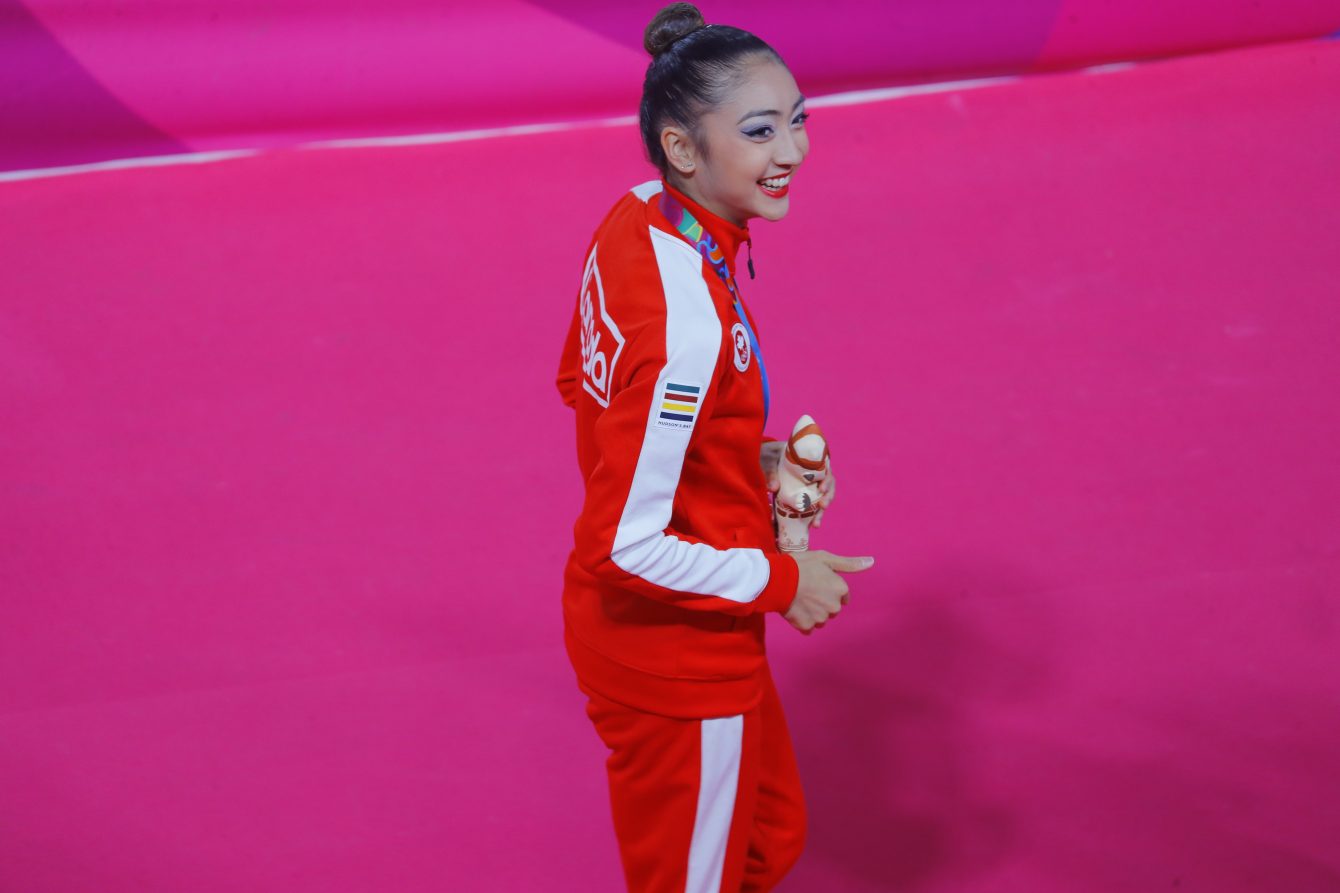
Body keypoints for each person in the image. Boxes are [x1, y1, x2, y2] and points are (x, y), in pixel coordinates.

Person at [555, 4, 875, 891]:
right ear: (684, 149)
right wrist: (785, 581)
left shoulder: (642, 216)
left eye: (799, 119)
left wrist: (743, 458)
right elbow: (623, 542)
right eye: (761, 131)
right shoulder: (682, 328)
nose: (795, 151)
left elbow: (602, 392)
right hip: (675, 663)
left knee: (771, 835)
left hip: (695, 635)